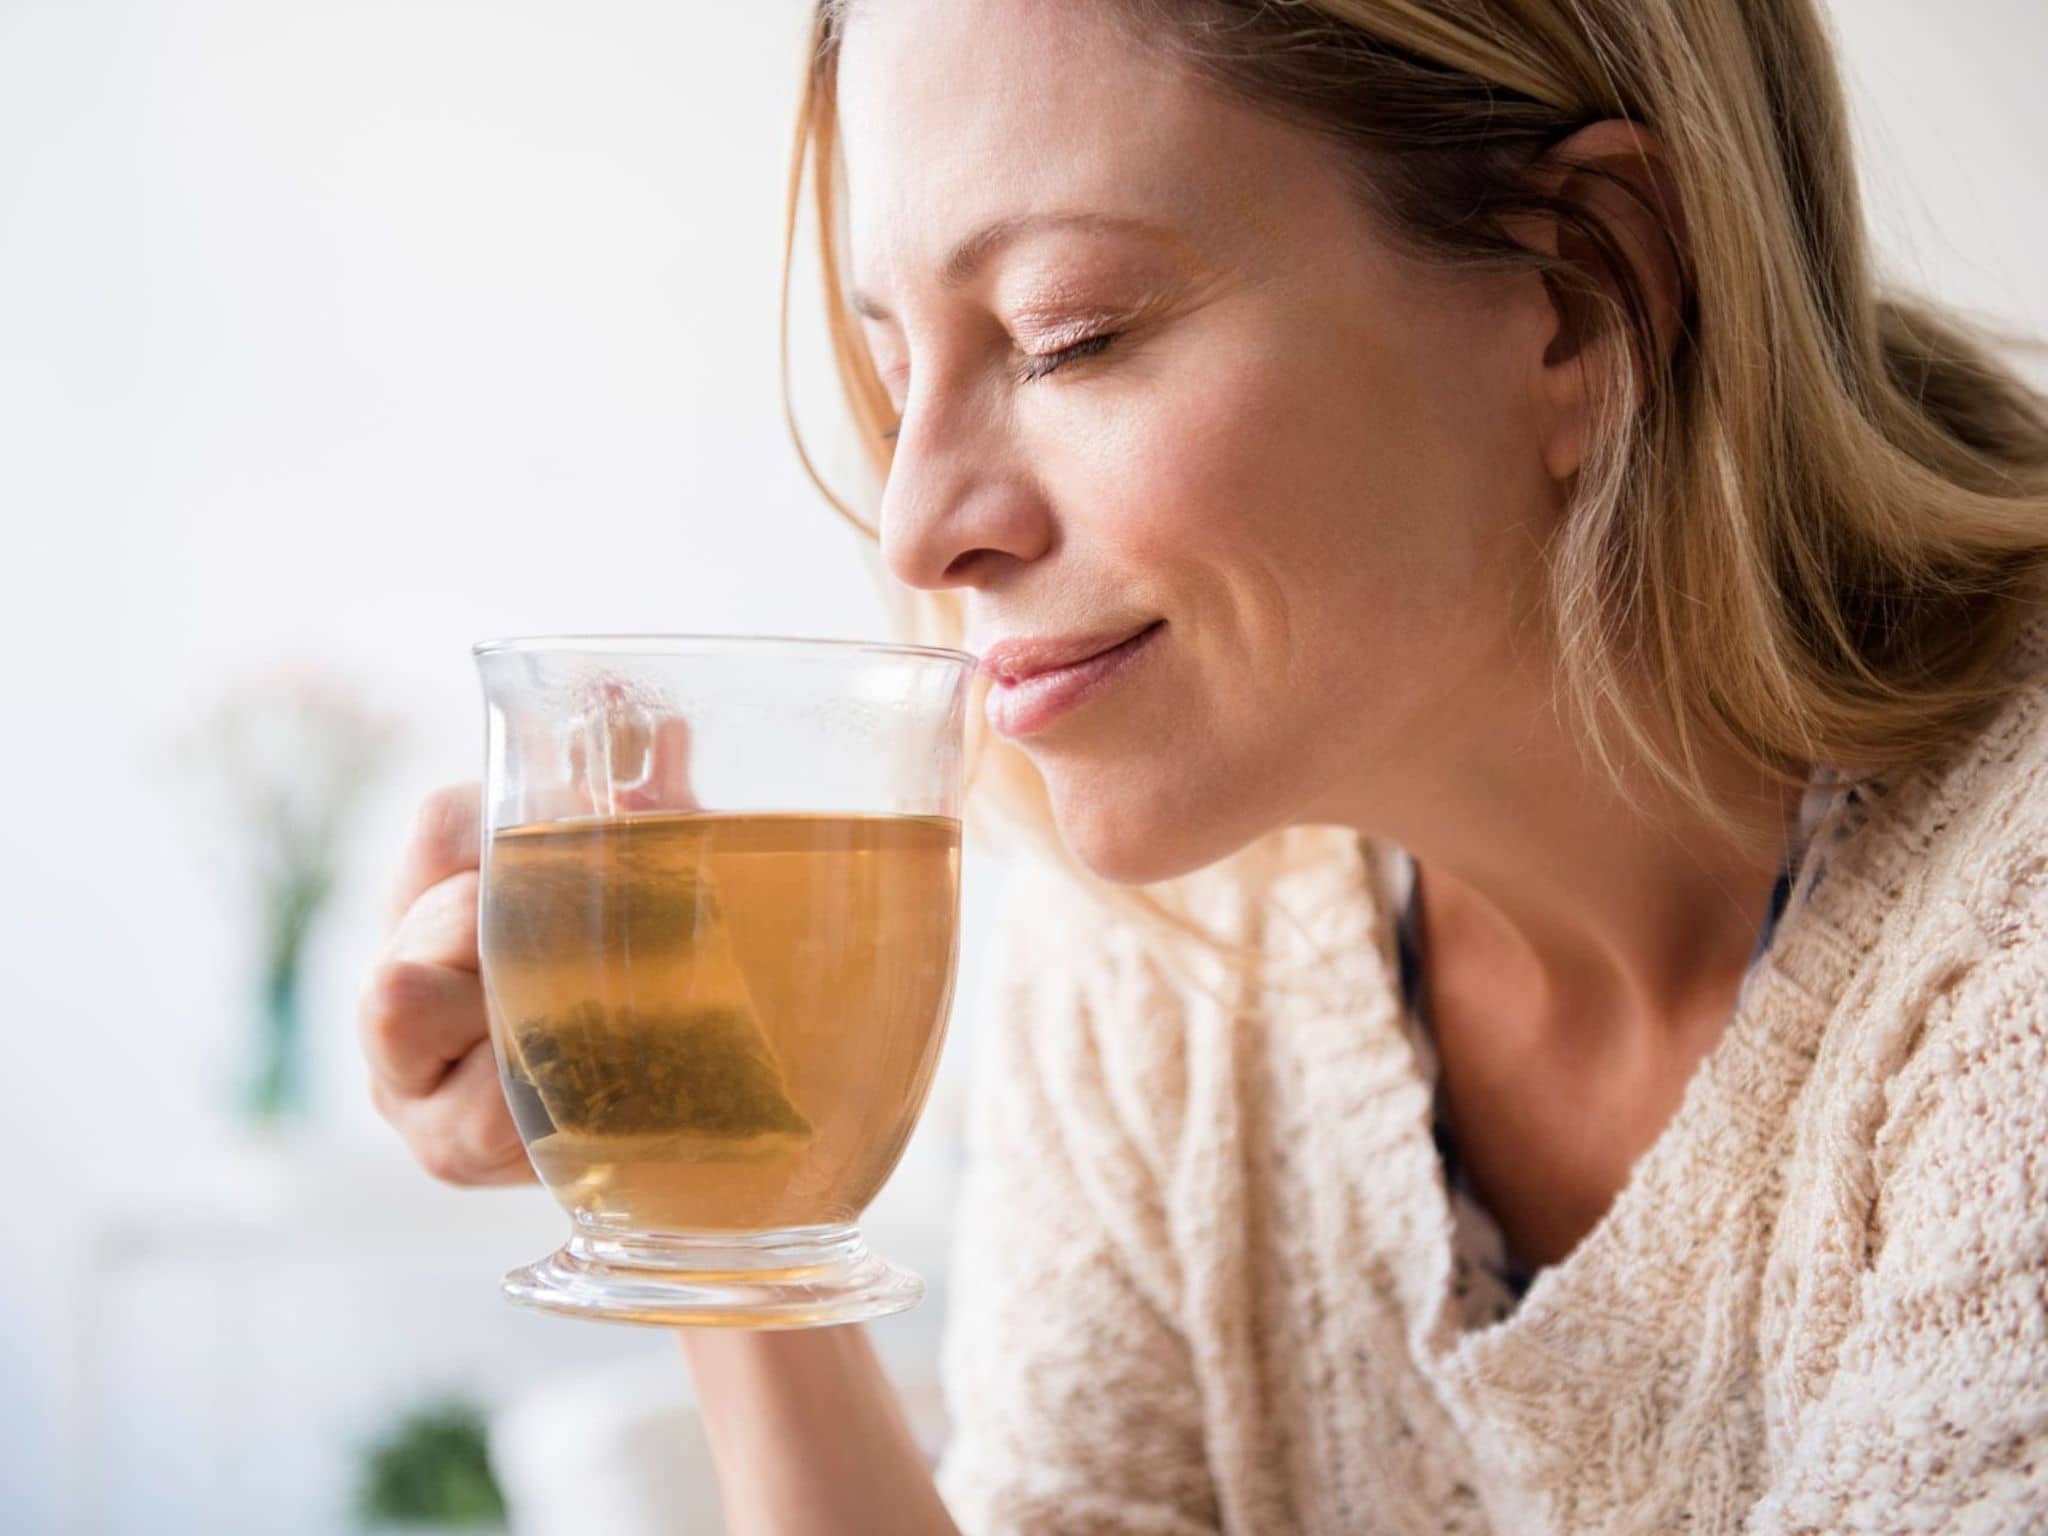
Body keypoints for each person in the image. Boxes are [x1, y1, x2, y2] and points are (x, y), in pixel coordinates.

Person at [359, 0, 2048, 1530]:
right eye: (893, 372)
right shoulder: (1163, 954)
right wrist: (711, 1194)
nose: (920, 526)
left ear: (1586, 291)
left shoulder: (2012, 947)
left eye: (1067, 333)